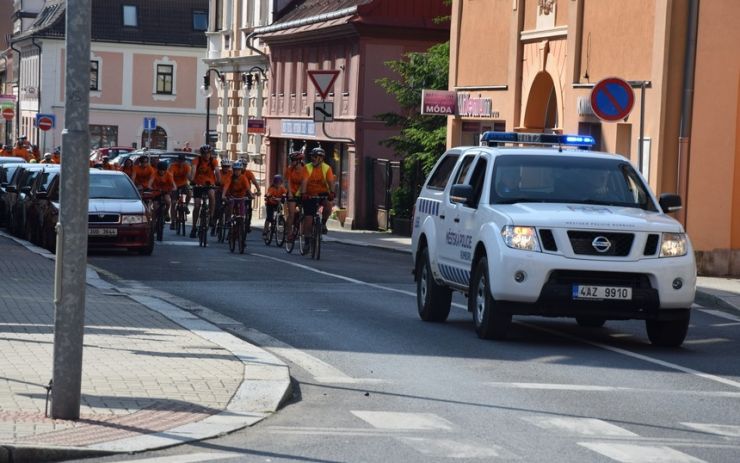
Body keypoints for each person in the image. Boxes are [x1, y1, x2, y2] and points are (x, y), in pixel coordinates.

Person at [299, 147, 335, 245]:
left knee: (328, 204)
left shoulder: (327, 168)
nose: (313, 158)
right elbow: (304, 182)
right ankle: (307, 240)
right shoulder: (307, 167)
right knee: (309, 218)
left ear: (321, 158)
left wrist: (332, 193)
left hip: (322, 192)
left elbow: (331, 182)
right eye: (312, 156)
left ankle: (323, 223)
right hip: (309, 194)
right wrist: (303, 194)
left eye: (315, 156)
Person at [189, 144, 221, 238]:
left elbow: (217, 171)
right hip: (198, 184)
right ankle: (194, 227)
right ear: (201, 154)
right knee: (197, 205)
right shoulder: (196, 160)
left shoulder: (213, 161)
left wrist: (218, 181)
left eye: (208, 153)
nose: (206, 155)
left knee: (211, 195)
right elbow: (193, 170)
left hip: (209, 183)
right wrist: (192, 180)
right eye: (204, 153)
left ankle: (211, 217)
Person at [168, 153, 192, 229]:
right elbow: (171, 176)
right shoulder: (173, 166)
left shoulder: (187, 166)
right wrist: (173, 185)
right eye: (180, 160)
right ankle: (173, 221)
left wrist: (192, 180)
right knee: (173, 202)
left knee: (189, 193)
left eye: (183, 161)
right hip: (174, 185)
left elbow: (188, 176)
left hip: (184, 184)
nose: (181, 162)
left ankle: (186, 206)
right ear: (177, 160)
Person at [285, 152, 305, 242]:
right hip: (292, 192)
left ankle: (301, 232)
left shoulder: (305, 170)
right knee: (291, 214)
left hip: (302, 192)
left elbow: (305, 182)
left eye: (293, 160)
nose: (291, 162)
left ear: (298, 161)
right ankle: (289, 234)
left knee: (303, 213)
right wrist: (289, 193)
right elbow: (288, 181)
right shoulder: (290, 169)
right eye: (291, 160)